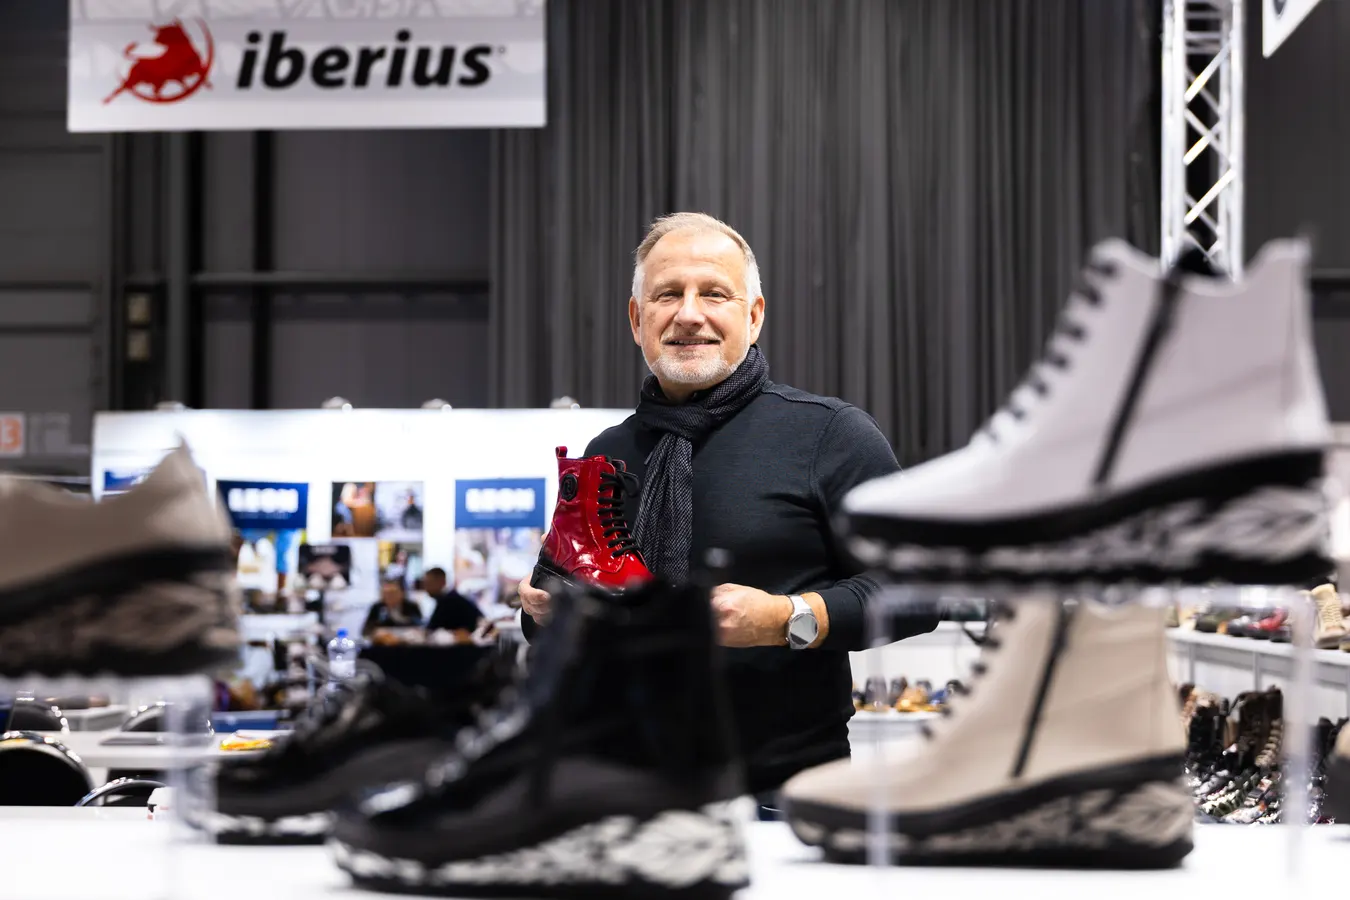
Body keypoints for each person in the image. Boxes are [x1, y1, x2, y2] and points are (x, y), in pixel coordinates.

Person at [517, 212, 939, 799]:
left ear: (754, 315)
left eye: (714, 293)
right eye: (667, 295)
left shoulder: (830, 434)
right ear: (637, 319)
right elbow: (562, 598)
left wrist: (786, 618)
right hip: (622, 787)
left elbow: (919, 589)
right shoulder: (607, 450)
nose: (689, 314)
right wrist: (545, 610)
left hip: (781, 793)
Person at [423, 566, 485, 633]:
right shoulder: (451, 598)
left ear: (442, 582)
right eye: (425, 584)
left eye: (429, 583)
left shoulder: (448, 602)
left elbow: (431, 629)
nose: (426, 588)